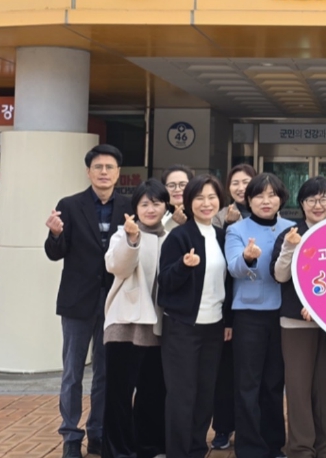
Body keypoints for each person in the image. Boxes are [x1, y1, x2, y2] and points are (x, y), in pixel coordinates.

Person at [44, 144, 130, 458]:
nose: (104, 172)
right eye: (98, 167)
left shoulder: (129, 205)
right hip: (77, 301)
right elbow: (55, 253)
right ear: (88, 172)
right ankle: (70, 435)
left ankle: (97, 432)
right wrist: (55, 234)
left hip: (115, 301)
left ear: (118, 173)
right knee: (72, 372)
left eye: (109, 167)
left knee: (106, 373)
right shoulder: (69, 205)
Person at [157, 174, 233, 458]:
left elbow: (229, 283)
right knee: (182, 395)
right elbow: (165, 281)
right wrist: (183, 266)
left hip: (214, 327)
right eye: (199, 198)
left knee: (205, 393)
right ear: (189, 202)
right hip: (182, 327)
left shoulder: (222, 236)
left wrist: (228, 321)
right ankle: (178, 452)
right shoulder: (179, 236)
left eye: (212, 197)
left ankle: (197, 449)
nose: (206, 203)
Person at [225, 173, 296, 458]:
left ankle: (274, 444)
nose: (266, 201)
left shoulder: (292, 229)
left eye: (272, 195)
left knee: (274, 383)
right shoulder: (236, 229)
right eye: (259, 196)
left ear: (281, 199)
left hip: (281, 314)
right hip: (249, 315)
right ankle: (249, 447)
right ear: (249, 200)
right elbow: (233, 267)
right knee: (248, 384)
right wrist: (247, 257)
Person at [270, 176, 326, 458]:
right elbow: (279, 275)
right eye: (311, 199)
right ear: (301, 203)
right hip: (295, 323)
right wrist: (290, 247)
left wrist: (323, 308)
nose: (318, 205)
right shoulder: (291, 233)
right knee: (298, 388)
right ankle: (300, 449)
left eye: (324, 199)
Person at [102, 178, 169, 458]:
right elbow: (117, 266)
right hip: (125, 324)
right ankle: (118, 451)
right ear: (135, 208)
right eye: (144, 204)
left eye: (156, 203)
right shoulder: (123, 234)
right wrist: (132, 240)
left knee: (152, 390)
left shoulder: (171, 236)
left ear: (165, 206)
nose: (150, 209)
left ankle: (148, 446)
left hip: (157, 326)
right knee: (119, 393)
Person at [210, 163, 256, 450]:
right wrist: (227, 226)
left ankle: (251, 428)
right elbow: (220, 267)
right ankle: (223, 427)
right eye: (235, 183)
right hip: (228, 306)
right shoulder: (218, 217)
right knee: (225, 371)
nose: (241, 188)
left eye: (246, 182)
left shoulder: (268, 214)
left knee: (252, 373)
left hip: (258, 307)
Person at [161, 164, 194, 231]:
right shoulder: (158, 213)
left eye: (183, 184)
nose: (177, 189)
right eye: (171, 185)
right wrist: (173, 223)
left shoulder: (202, 211)